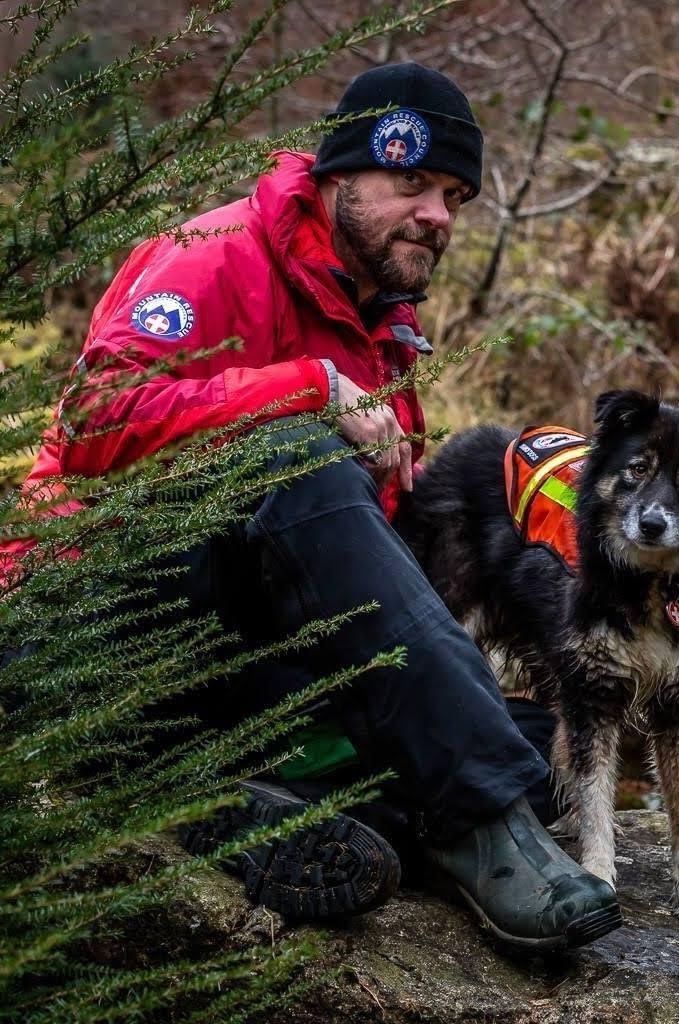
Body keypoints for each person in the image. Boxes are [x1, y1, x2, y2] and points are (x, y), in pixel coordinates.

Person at [8, 63, 621, 951]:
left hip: (230, 656)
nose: (438, 216)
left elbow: (364, 562)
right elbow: (97, 420)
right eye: (410, 184)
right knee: (291, 450)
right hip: (89, 623)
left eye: (453, 196)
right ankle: (470, 830)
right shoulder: (213, 254)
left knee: (536, 751)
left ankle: (212, 790)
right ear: (338, 178)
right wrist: (307, 388)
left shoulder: (384, 326)